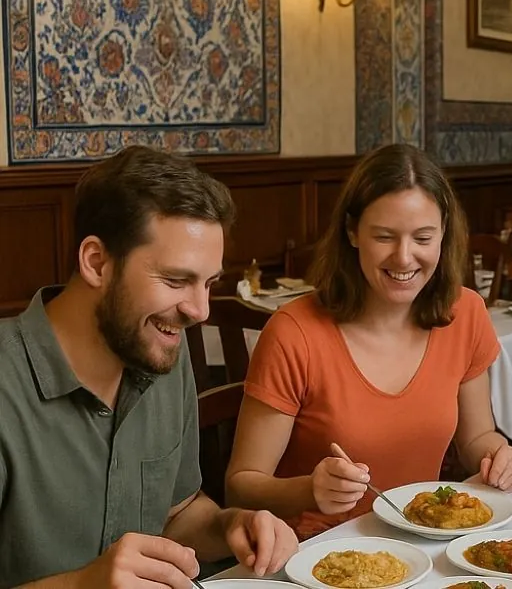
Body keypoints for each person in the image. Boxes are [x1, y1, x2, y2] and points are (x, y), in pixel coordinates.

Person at [0, 146, 298, 588]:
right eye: (176, 280)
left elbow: (176, 512)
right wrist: (84, 585)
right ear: (96, 263)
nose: (200, 311)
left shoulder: (159, 351)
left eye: (209, 282)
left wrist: (230, 526)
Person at [225, 144, 512, 540]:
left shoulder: (465, 312)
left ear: (443, 235)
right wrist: (310, 489)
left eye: (423, 237)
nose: (404, 258)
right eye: (384, 237)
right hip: (313, 554)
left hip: (422, 545)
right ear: (352, 232)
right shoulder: (293, 332)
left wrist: (500, 456)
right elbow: (240, 484)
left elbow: (475, 438)